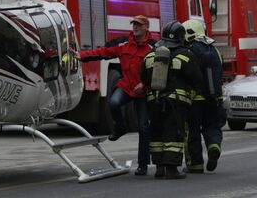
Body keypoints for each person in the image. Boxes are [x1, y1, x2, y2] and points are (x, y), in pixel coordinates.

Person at [70, 15, 155, 176]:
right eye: (134, 24)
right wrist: (82, 55)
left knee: (144, 128)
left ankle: (142, 165)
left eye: (138, 25)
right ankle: (120, 127)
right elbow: (103, 52)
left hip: (143, 91)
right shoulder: (123, 44)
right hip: (127, 87)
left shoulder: (153, 47)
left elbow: (159, 71)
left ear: (146, 28)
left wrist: (145, 85)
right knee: (114, 103)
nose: (135, 27)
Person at [141, 20, 203, 179]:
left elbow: (144, 79)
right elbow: (196, 79)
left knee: (157, 133)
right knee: (173, 133)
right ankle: (172, 169)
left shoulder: (149, 56)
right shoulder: (186, 56)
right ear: (181, 38)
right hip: (176, 103)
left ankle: (159, 168)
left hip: (153, 101)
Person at [182, 19, 225, 174]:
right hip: (214, 99)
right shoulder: (215, 50)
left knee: (192, 131)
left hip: (194, 100)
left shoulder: (189, 51)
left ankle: (195, 164)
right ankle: (214, 146)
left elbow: (187, 75)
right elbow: (220, 75)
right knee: (212, 126)